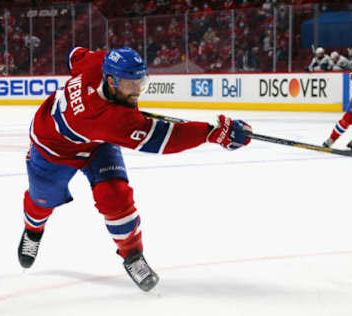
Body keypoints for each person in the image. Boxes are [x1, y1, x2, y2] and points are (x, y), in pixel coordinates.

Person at [17, 46, 252, 292]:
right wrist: (214, 133)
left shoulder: (99, 62)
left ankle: (132, 255)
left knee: (115, 195)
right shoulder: (110, 119)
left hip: (97, 142)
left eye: (140, 82)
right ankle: (33, 231)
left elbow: (74, 55)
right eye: (130, 85)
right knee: (41, 201)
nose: (137, 91)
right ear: (111, 80)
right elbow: (165, 139)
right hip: (53, 149)